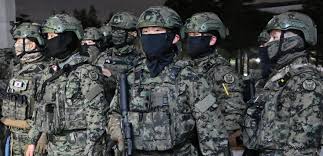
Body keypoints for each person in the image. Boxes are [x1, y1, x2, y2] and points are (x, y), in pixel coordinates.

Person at [107, 6, 230, 155]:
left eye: (157, 31)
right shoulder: (131, 77)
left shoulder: (190, 78)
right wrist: (115, 128)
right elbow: (115, 112)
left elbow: (212, 130)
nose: (150, 36)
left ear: (175, 37)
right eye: (146, 32)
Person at [25, 14, 108, 156]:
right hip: (54, 147)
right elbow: (40, 110)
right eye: (48, 37)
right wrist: (32, 141)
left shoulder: (85, 72)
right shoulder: (49, 73)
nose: (50, 41)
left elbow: (97, 116)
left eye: (53, 36)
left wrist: (92, 149)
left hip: (80, 148)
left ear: (68, 37)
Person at [243, 12, 323, 156]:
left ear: (293, 41)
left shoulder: (305, 81)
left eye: (274, 37)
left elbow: (303, 143)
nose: (267, 44)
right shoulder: (280, 77)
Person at [183, 12, 245, 148]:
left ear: (212, 40)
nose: (190, 40)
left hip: (209, 141)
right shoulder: (186, 66)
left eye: (196, 35)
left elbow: (233, 107)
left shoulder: (221, 71)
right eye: (189, 35)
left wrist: (220, 141)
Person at [0, 22, 48, 156]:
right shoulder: (18, 70)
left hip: (34, 140)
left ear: (32, 45)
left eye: (19, 41)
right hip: (14, 137)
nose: (15, 45)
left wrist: (41, 136)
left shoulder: (45, 72)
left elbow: (47, 110)